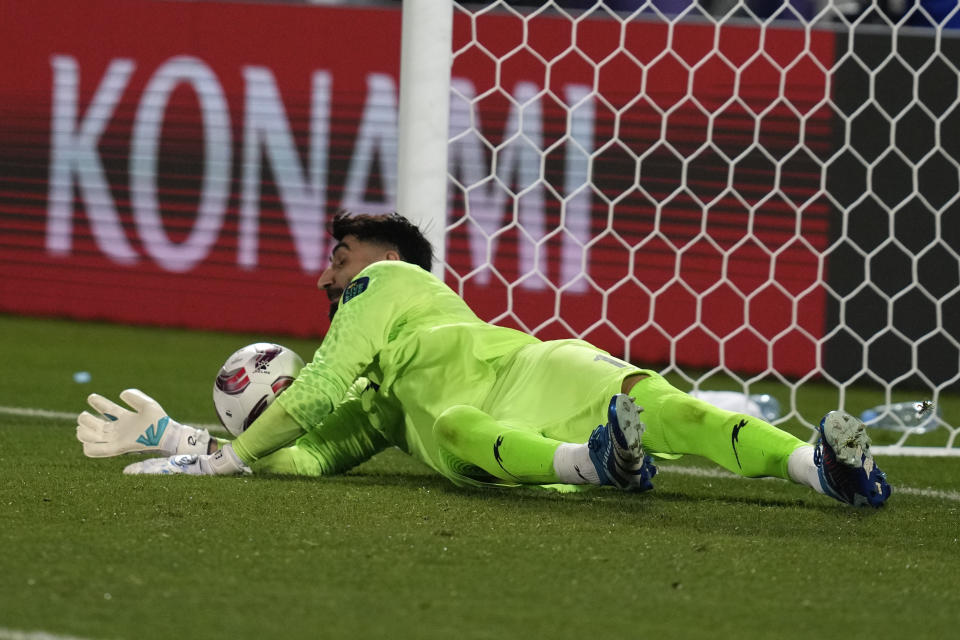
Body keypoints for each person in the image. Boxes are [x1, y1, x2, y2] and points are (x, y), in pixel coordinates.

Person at [76, 212, 891, 507]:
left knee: (667, 403)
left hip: (535, 365)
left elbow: (316, 388)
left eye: (341, 255)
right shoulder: (381, 403)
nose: (326, 273)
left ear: (385, 257)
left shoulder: (392, 283)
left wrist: (224, 458)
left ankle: (818, 468)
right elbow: (308, 459)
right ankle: (599, 463)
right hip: (493, 426)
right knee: (459, 427)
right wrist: (183, 441)